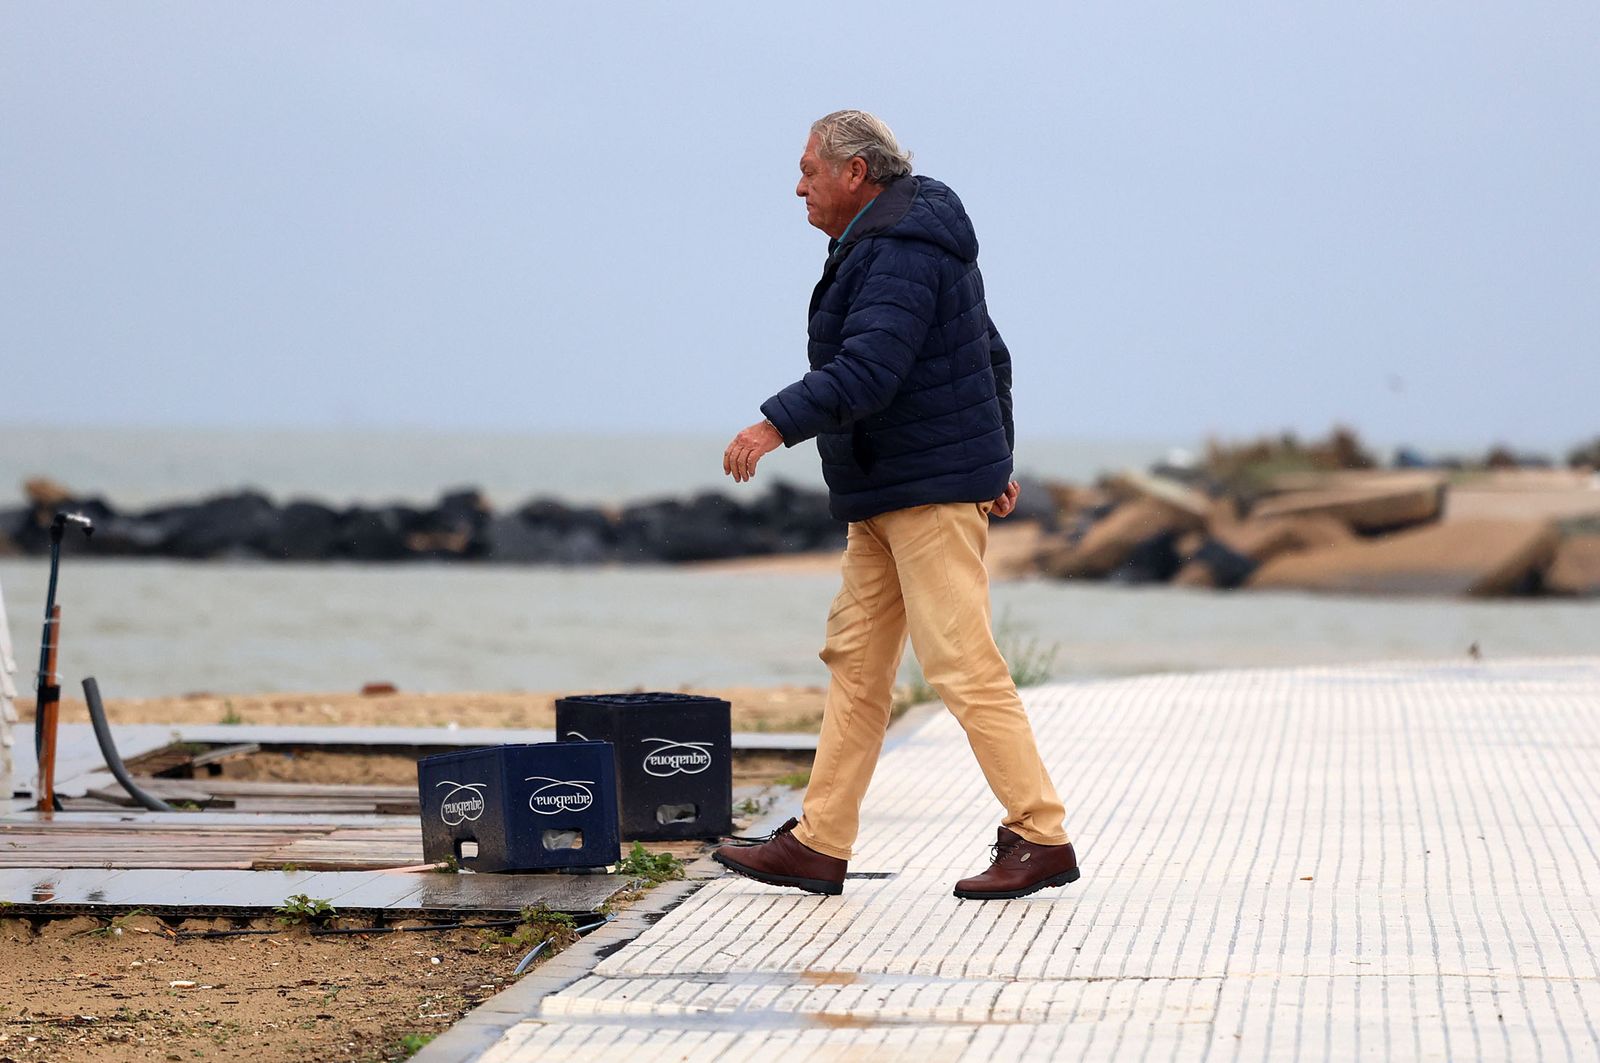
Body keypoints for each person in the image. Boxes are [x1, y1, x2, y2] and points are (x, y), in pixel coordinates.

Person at [714, 110, 1078, 901]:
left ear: (855, 174)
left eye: (810, 169)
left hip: (924, 492)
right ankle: (820, 841)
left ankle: (1040, 834)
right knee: (856, 662)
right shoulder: (896, 240)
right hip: (889, 489)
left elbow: (870, 369)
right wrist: (996, 456)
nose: (799, 184)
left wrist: (774, 423)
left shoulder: (900, 248)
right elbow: (988, 353)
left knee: (960, 662)